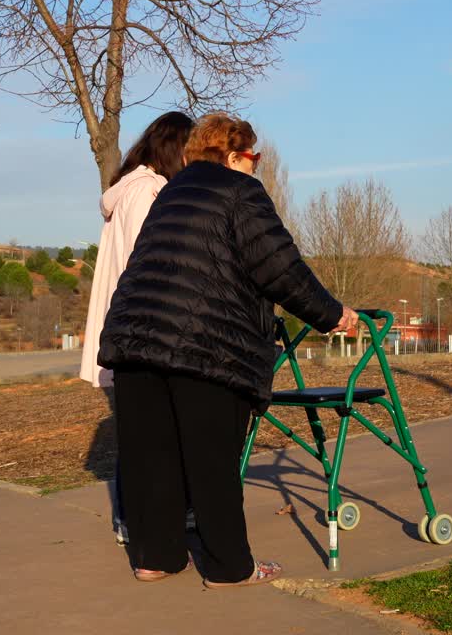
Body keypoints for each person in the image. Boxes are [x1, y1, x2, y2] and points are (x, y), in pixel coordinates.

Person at [98, 113, 357, 587]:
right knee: (211, 460)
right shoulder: (240, 191)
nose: (256, 166)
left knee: (154, 456)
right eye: (254, 157)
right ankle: (229, 567)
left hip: (135, 342)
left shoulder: (169, 193)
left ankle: (156, 558)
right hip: (205, 347)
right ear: (234, 155)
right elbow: (279, 267)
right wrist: (332, 314)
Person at [80, 111, 194, 545]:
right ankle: (135, 517)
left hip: (127, 325)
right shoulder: (148, 191)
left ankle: (149, 513)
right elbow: (150, 260)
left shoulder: (129, 188)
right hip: (142, 326)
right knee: (144, 430)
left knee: (142, 428)